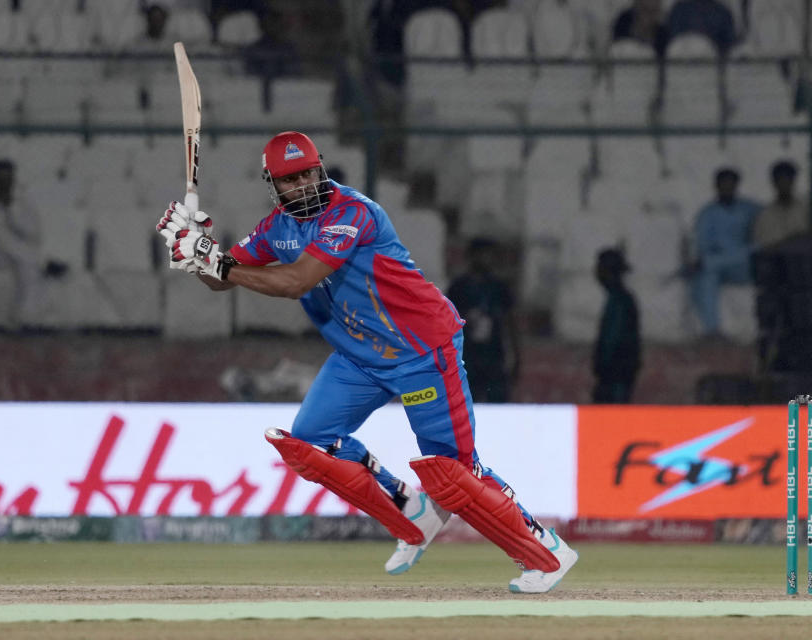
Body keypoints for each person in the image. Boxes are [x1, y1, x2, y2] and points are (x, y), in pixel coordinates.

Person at [155, 131, 578, 593]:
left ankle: (546, 552)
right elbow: (222, 281)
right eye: (288, 180)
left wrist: (214, 262)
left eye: (307, 174)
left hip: (420, 351)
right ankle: (410, 512)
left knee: (453, 472)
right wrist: (195, 248)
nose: (300, 185)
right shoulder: (277, 227)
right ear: (272, 185)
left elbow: (297, 281)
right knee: (310, 446)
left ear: (320, 169)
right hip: (359, 358)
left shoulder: (352, 214)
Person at [0, 159, 63, 329]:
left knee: (26, 264)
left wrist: (10, 212)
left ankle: (24, 319)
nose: (1, 182)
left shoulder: (24, 207)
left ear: (13, 180)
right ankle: (41, 264)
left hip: (18, 259)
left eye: (6, 178)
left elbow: (33, 237)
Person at [687, 167, 761, 337]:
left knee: (752, 251)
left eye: (731, 184)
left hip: (746, 266)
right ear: (716, 186)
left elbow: (764, 232)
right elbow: (703, 247)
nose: (727, 188)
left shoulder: (750, 209)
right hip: (722, 268)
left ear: (737, 186)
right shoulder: (707, 214)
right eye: (723, 184)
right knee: (704, 278)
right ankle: (712, 330)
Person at [446, 236, 520, 403]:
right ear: (472, 256)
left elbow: (511, 323)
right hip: (467, 356)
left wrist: (516, 357)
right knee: (465, 403)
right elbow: (446, 323)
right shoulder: (458, 287)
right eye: (483, 255)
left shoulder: (499, 287)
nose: (487, 260)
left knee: (498, 404)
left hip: (493, 356)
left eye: (491, 255)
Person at [592, 248, 640, 404]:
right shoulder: (619, 299)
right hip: (615, 374)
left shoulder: (619, 301)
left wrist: (603, 367)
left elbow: (611, 341)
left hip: (615, 375)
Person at [753, 159, 810, 249]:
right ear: (774, 183)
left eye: (787, 180)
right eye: (780, 180)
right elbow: (763, 244)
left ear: (793, 181)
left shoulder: (806, 209)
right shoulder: (765, 215)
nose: (784, 184)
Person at [665, 0, 737, 55]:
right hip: (679, 65)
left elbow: (729, 48)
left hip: (713, 67)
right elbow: (670, 42)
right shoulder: (679, 11)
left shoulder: (723, 13)